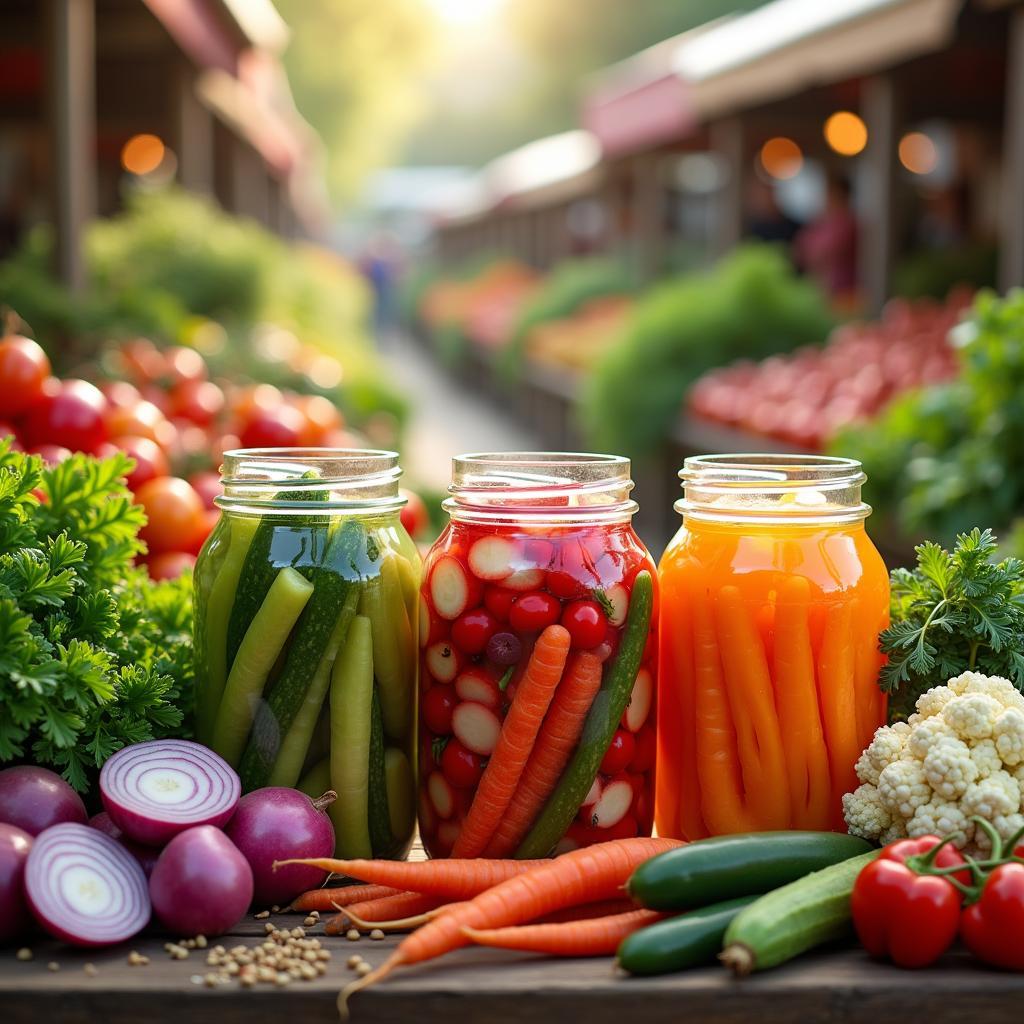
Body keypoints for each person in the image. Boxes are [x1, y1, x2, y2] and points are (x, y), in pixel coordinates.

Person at [793, 176, 858, 298]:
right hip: (819, 289)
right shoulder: (822, 221)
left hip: (842, 292)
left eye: (832, 194)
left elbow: (825, 253)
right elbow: (800, 248)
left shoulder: (847, 224)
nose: (827, 199)